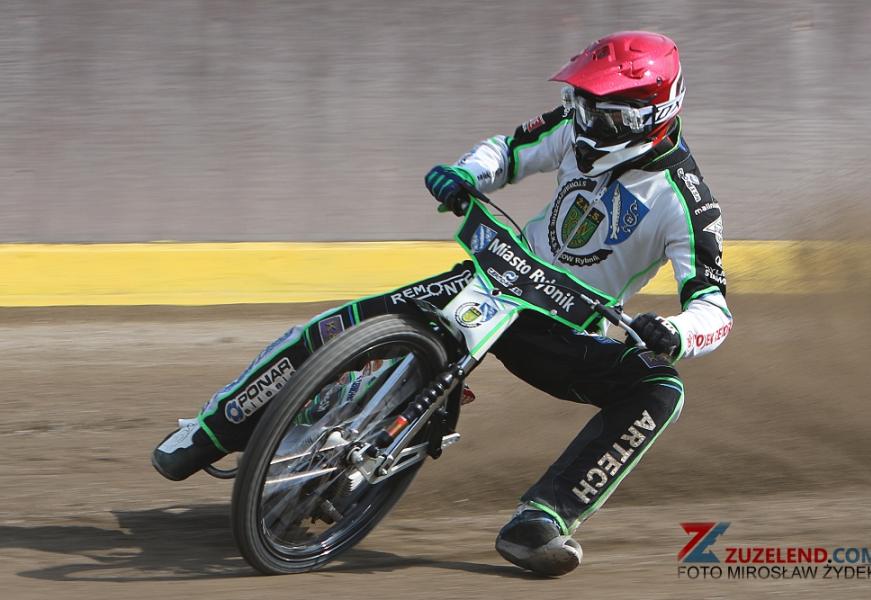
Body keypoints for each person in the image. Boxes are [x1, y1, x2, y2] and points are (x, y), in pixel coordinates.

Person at [152, 31, 731, 577]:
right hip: (494, 275)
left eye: (603, 113)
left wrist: (677, 332)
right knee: (342, 324)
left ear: (648, 115)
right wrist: (466, 173)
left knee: (660, 388)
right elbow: (507, 151)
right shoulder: (577, 126)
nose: (585, 121)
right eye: (581, 104)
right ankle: (211, 430)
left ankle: (541, 520)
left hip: (564, 331)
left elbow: (715, 310)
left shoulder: (687, 202)